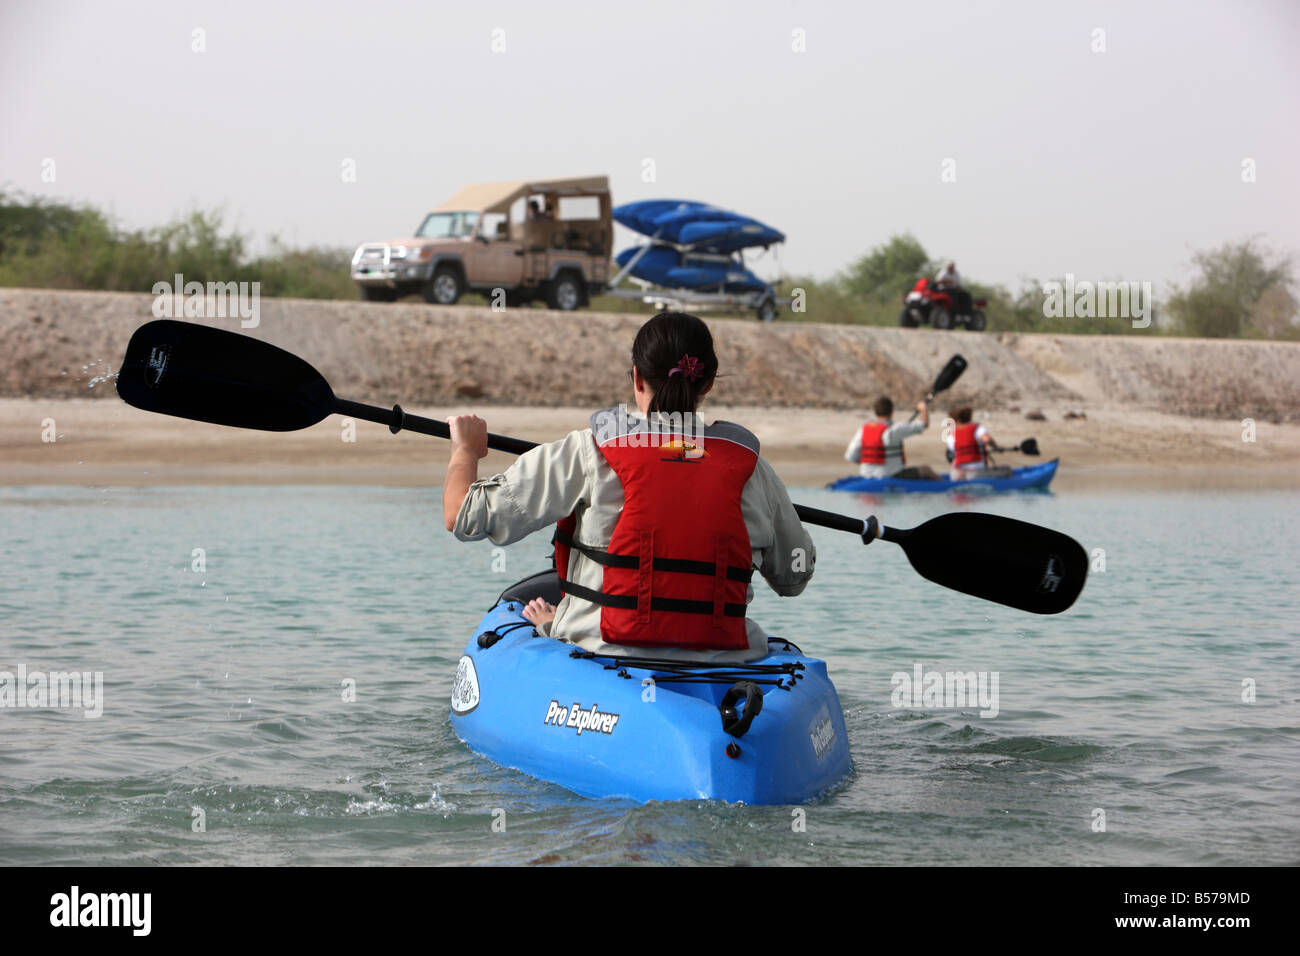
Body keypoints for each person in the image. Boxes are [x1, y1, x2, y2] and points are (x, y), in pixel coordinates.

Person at [442, 311, 815, 663]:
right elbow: (794, 577)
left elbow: (463, 516)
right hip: (727, 661)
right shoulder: (751, 468)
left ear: (637, 378)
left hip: (606, 654)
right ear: (709, 383)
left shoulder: (587, 451)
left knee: (548, 620)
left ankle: (565, 622)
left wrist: (466, 450)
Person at [843, 396, 938, 479]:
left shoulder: (863, 429)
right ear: (892, 411)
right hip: (891, 475)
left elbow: (850, 456)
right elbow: (924, 424)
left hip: (866, 474)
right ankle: (946, 486)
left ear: (875, 412)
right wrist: (924, 409)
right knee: (926, 469)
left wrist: (870, 463)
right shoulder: (894, 429)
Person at [945, 406, 995, 479]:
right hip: (977, 471)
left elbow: (952, 453)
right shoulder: (977, 428)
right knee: (1007, 471)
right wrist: (997, 447)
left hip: (958, 473)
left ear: (957, 421)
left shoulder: (951, 435)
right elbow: (987, 439)